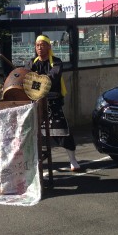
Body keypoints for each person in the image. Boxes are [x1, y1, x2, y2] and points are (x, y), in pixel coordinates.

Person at [25, 34, 81, 172]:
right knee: (32, 133)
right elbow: (26, 78)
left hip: (52, 102)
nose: (40, 48)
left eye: (43, 45)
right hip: (35, 103)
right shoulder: (31, 62)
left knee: (62, 130)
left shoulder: (56, 62)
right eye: (37, 45)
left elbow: (52, 78)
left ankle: (73, 160)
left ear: (49, 47)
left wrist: (35, 79)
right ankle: (33, 161)